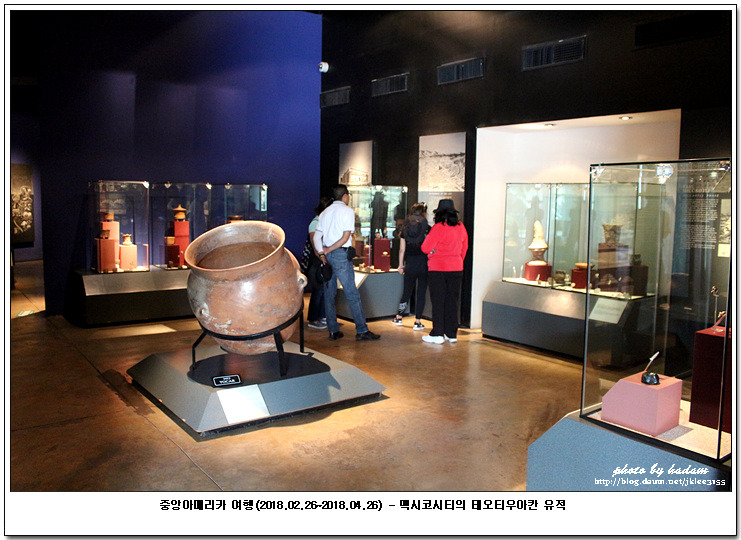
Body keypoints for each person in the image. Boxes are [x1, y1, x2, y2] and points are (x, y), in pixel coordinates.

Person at [313, 184, 381, 341]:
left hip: (328, 257)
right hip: (341, 255)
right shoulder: (347, 211)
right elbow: (345, 237)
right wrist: (329, 250)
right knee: (352, 294)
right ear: (345, 196)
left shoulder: (324, 212)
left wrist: (323, 253)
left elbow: (317, 237)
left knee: (329, 296)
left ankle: (333, 331)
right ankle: (362, 330)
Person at [421, 199, 469, 344]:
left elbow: (425, 248)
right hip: (456, 268)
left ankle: (437, 333)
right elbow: (464, 248)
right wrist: (457, 260)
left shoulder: (438, 228)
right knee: (452, 302)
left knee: (438, 301)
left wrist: (433, 252)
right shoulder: (461, 227)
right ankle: (451, 333)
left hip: (438, 268)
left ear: (439, 214)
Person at [392, 202, 430, 331]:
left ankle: (399, 317)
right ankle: (418, 321)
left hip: (410, 264)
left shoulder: (405, 228)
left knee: (406, 291)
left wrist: (400, 265)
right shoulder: (427, 228)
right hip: (424, 264)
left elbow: (402, 250)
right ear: (424, 213)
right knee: (421, 293)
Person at [305, 197, 332, 329]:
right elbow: (315, 244)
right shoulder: (315, 223)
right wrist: (321, 256)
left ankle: (322, 316)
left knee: (323, 289)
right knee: (318, 289)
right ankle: (313, 318)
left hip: (322, 258)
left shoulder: (322, 222)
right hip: (317, 261)